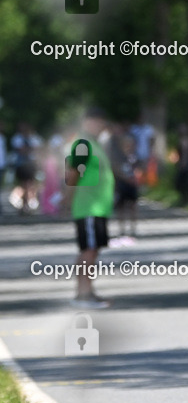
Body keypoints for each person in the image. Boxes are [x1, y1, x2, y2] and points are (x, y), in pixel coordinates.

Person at [65, 109, 115, 308]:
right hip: (88, 207)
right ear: (86, 123)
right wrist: (67, 198)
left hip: (98, 207)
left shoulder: (95, 144)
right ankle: (83, 294)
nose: (100, 125)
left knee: (92, 251)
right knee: (89, 250)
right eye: (96, 121)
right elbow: (73, 172)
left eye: (102, 121)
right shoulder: (83, 144)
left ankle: (88, 291)